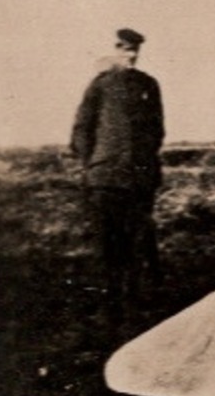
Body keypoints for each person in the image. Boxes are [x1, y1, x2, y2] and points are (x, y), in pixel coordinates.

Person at [71, 27, 165, 327]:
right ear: (115, 49)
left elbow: (157, 130)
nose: (130, 54)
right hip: (105, 180)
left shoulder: (149, 84)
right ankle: (108, 307)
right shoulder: (100, 85)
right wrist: (94, 165)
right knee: (107, 247)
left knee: (137, 244)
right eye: (124, 48)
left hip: (139, 181)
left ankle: (135, 306)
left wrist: (145, 164)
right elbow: (82, 129)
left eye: (134, 49)